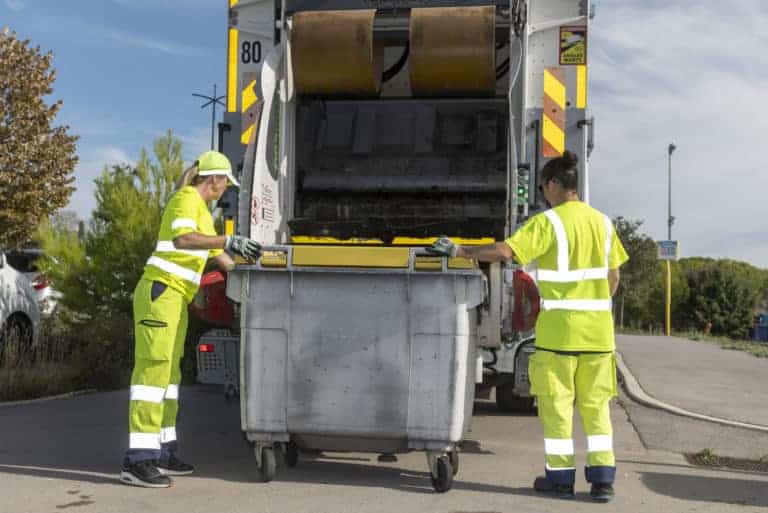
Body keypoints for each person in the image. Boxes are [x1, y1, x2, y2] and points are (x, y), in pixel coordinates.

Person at [427, 151, 628, 503]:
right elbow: (614, 277)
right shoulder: (605, 224)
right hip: (598, 337)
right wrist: (593, 306)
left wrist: (460, 250)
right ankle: (602, 482)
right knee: (597, 411)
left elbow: (506, 252)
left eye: (542, 187)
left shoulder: (548, 224)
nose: (541, 194)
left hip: (558, 337)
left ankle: (561, 480)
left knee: (557, 410)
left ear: (553, 184)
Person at [120, 150, 262, 488]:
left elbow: (219, 256)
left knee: (169, 377)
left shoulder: (201, 212)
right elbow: (183, 240)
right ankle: (137, 460)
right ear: (212, 179)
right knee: (151, 374)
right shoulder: (185, 199)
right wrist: (228, 239)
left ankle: (163, 451)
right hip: (160, 294)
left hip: (174, 299)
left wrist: (255, 272)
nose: (226, 189)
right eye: (225, 183)